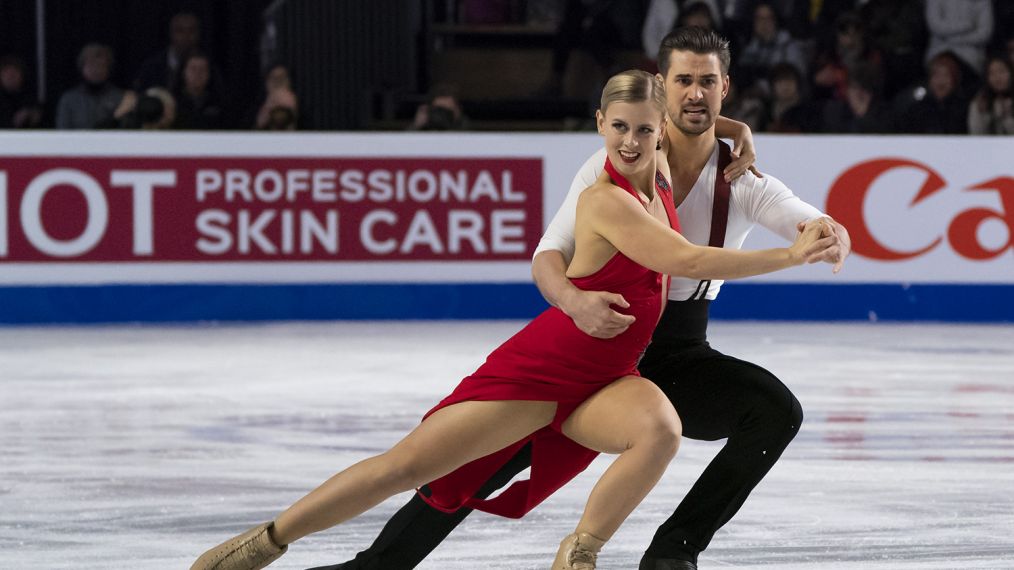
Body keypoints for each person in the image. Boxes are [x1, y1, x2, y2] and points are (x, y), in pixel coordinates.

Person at [190, 68, 835, 570]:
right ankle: (265, 543)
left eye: (645, 130)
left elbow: (693, 118)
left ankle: (577, 553)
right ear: (599, 126)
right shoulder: (607, 198)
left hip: (609, 375)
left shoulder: (661, 162)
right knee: (409, 469)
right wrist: (790, 253)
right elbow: (688, 256)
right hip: (547, 369)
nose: (634, 141)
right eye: (620, 129)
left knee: (659, 429)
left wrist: (733, 128)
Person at [55, 43, 136, 129]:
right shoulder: (69, 99)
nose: (96, 70)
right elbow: (62, 132)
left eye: (101, 66)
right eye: (91, 65)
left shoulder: (120, 98)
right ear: (82, 67)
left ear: (108, 68)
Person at [134, 11, 202, 92]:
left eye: (191, 31)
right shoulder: (152, 67)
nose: (186, 36)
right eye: (180, 31)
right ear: (171, 33)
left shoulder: (208, 67)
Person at [967, 55, 1014, 134]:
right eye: (992, 73)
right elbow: (975, 135)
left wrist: (1007, 118)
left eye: (1001, 71)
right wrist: (983, 115)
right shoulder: (980, 101)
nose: (997, 77)